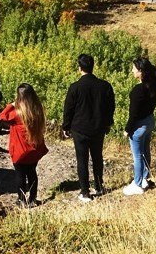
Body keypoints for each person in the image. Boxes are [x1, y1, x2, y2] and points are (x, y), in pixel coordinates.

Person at [62, 53, 115, 203]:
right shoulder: (105, 86)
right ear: (93, 66)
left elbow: (68, 109)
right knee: (97, 158)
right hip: (98, 128)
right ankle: (99, 186)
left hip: (79, 129)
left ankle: (85, 192)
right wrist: (108, 123)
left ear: (80, 68)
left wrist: (66, 126)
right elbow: (111, 108)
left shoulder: (75, 87)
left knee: (82, 160)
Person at [0, 83, 49, 208]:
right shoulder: (37, 111)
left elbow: (1, 117)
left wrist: (11, 105)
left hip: (19, 151)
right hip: (34, 150)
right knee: (32, 173)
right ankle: (32, 199)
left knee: (20, 175)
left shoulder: (16, 114)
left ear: (19, 97)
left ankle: (21, 200)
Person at [123, 57, 156, 196]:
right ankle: (145, 178)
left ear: (141, 71)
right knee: (145, 152)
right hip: (149, 121)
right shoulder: (152, 85)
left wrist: (127, 129)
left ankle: (137, 184)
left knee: (138, 156)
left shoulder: (138, 90)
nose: (132, 70)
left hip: (139, 125)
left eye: (134, 68)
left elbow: (133, 114)